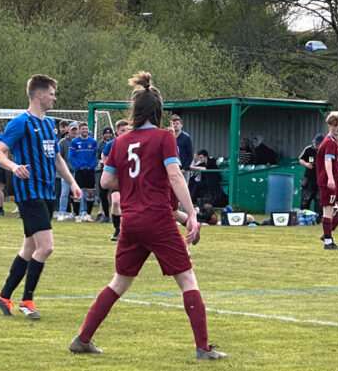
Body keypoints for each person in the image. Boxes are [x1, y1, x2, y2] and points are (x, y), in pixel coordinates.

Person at [68, 71, 225, 360]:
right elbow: (176, 175)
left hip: (131, 222)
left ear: (135, 111)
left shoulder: (121, 142)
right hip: (158, 219)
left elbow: (105, 182)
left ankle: (82, 338)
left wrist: (129, 179)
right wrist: (192, 214)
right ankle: (203, 348)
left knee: (119, 282)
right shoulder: (165, 137)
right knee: (188, 280)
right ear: (159, 111)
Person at [0, 74, 81, 320]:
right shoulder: (20, 123)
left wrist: (71, 181)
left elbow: (56, 158)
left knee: (30, 247)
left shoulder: (51, 123)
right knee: (46, 247)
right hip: (28, 192)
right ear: (39, 95)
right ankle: (27, 300)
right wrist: (14, 167)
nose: (55, 98)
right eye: (52, 94)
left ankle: (3, 296)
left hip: (46, 191)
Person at [317, 114, 338, 250]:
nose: (337, 128)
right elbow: (327, 160)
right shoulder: (329, 142)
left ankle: (327, 233)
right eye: (335, 126)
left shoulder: (335, 142)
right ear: (329, 126)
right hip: (328, 181)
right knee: (328, 210)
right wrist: (329, 178)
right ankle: (328, 242)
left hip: (335, 180)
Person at [104, 119, 129, 241]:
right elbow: (104, 155)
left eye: (127, 130)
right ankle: (117, 230)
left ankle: (126, 230)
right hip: (116, 179)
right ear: (117, 131)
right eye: (123, 130)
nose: (125, 132)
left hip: (130, 180)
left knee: (128, 206)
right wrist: (107, 169)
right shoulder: (112, 144)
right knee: (115, 202)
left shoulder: (133, 142)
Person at [70, 123, 99, 221]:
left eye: (86, 129)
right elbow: (71, 157)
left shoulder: (93, 141)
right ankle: (77, 215)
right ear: (79, 130)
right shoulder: (74, 142)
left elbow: (95, 156)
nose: (85, 131)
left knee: (90, 193)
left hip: (90, 170)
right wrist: (78, 166)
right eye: (83, 129)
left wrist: (92, 166)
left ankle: (88, 214)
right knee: (78, 193)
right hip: (79, 170)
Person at [56, 122, 79, 220]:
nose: (74, 131)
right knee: (64, 193)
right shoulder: (62, 142)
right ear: (69, 130)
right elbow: (58, 156)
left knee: (78, 192)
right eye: (72, 129)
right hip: (66, 172)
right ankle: (62, 212)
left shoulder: (81, 141)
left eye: (75, 129)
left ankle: (78, 213)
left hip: (78, 171)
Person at [299, 134, 325, 221]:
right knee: (305, 200)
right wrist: (306, 164)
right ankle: (303, 218)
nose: (316, 145)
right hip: (309, 179)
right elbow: (301, 159)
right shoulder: (308, 149)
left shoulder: (325, 151)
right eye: (316, 143)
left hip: (320, 179)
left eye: (318, 144)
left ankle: (318, 219)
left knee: (319, 201)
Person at [95, 126, 115, 223]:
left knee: (114, 194)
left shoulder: (117, 142)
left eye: (109, 133)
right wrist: (105, 164)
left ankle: (116, 215)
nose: (108, 135)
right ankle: (104, 214)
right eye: (106, 133)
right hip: (105, 169)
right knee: (103, 192)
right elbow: (102, 154)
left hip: (116, 171)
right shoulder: (103, 143)